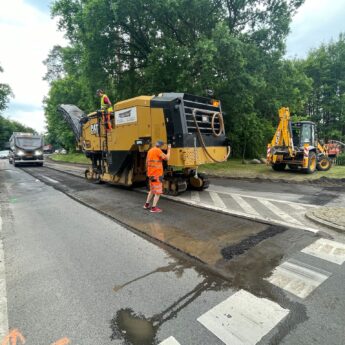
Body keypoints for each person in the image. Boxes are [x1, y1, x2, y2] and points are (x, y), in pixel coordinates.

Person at [144, 140, 171, 213]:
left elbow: (146, 162)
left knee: (152, 190)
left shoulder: (150, 151)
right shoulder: (158, 151)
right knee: (158, 192)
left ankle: (146, 205)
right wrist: (169, 150)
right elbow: (167, 158)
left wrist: (148, 171)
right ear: (161, 146)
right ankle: (153, 208)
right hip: (157, 174)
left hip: (151, 174)